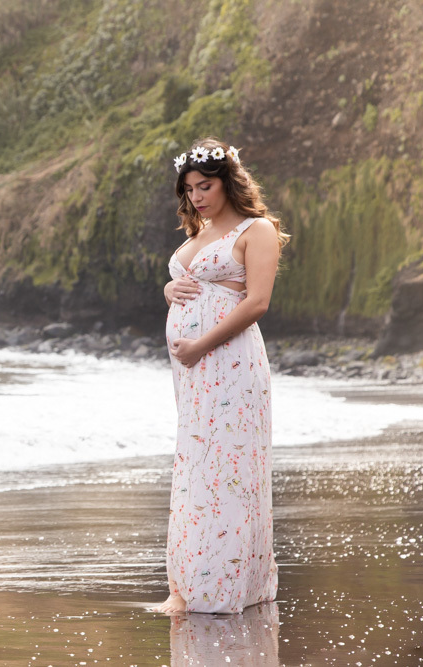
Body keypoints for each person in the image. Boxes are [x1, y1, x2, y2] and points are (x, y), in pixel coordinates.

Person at [153, 137, 289, 615]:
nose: (197, 197)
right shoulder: (201, 232)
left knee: (228, 467)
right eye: (189, 189)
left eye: (205, 186)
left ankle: (225, 587)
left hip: (230, 364)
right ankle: (189, 583)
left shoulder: (257, 230)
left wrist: (199, 345)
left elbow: (257, 302)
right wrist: (169, 289)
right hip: (193, 373)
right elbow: (189, 284)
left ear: (228, 182)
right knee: (197, 466)